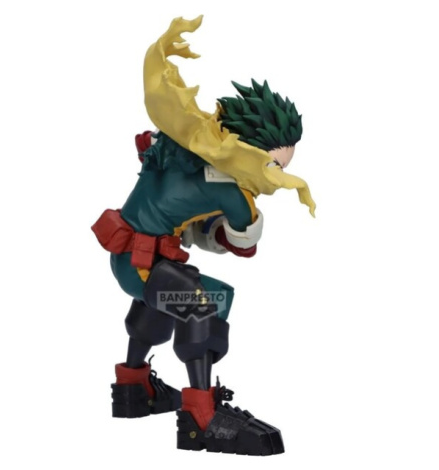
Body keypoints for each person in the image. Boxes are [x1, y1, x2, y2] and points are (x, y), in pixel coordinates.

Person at [92, 16, 315, 456]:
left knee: (162, 298)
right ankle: (202, 417)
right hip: (143, 264)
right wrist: (244, 214)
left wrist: (208, 228)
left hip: (133, 260)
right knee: (207, 301)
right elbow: (243, 243)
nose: (276, 174)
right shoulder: (230, 189)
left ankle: (134, 389)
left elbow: (183, 216)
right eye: (275, 165)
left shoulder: (178, 148)